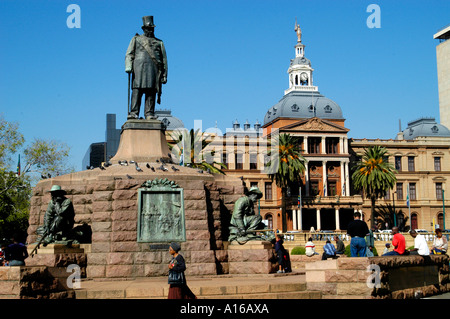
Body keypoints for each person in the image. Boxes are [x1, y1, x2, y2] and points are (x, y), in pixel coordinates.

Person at [125, 15, 168, 120]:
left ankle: (149, 113)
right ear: (143, 29)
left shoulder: (159, 42)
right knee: (137, 91)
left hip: (153, 70)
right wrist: (128, 66)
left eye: (151, 28)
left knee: (151, 91)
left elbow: (164, 60)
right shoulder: (136, 39)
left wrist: (164, 75)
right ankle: (134, 112)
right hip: (138, 69)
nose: (150, 30)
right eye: (148, 28)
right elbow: (129, 54)